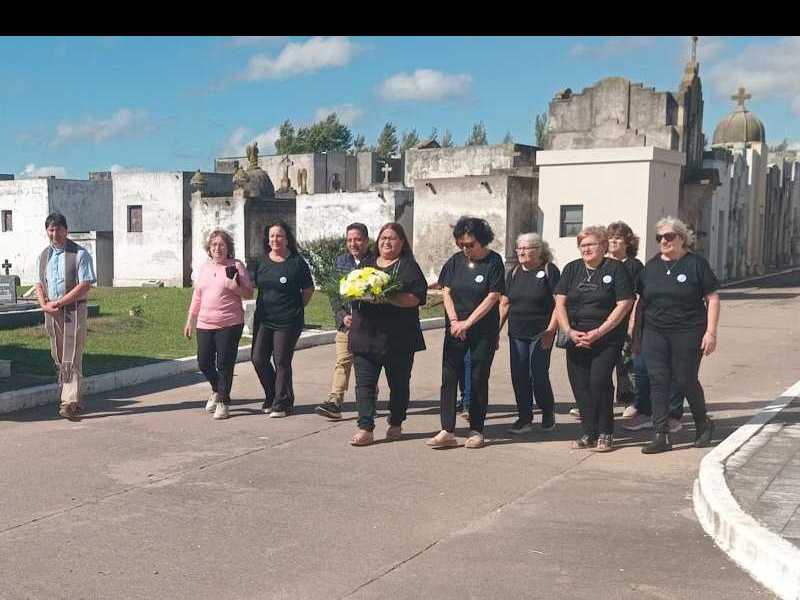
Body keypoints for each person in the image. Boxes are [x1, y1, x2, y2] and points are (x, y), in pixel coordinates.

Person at [639, 216, 720, 454]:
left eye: (669, 236)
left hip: (689, 330)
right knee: (658, 380)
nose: (663, 240)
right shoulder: (651, 266)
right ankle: (660, 434)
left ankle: (703, 423)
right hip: (655, 331)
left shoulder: (696, 264)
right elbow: (640, 300)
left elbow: (712, 298)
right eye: (660, 237)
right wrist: (635, 332)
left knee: (684, 379)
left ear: (682, 238)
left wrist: (711, 333)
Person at [427, 217, 505, 450]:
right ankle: (447, 429)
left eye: (470, 244)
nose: (465, 248)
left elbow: (492, 297)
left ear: (482, 241)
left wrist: (468, 323)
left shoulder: (494, 262)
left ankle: (477, 429)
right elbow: (446, 291)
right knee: (449, 378)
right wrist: (454, 321)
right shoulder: (455, 261)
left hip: (482, 330)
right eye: (461, 244)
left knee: (478, 378)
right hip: (455, 329)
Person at [554, 226, 634, 452]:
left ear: (603, 246)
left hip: (606, 338)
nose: (586, 249)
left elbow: (625, 303)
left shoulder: (616, 269)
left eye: (591, 244)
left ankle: (606, 431)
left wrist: (599, 331)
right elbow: (560, 302)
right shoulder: (572, 269)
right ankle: (589, 432)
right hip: (576, 336)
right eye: (583, 245)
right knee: (580, 386)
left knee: (599, 383)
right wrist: (569, 331)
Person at [348, 223, 428, 446]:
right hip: (365, 336)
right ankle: (365, 427)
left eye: (392, 238)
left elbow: (416, 298)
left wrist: (388, 297)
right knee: (364, 384)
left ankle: (395, 421)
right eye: (383, 238)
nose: (386, 242)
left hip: (398, 339)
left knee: (399, 384)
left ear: (402, 242)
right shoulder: (366, 265)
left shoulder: (408, 267)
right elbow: (351, 290)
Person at [184, 230, 254, 420]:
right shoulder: (204, 268)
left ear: (228, 247)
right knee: (204, 362)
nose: (218, 248)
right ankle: (217, 389)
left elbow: (249, 293)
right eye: (214, 245)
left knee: (224, 363)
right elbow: (197, 295)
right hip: (205, 322)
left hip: (230, 322)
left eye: (221, 245)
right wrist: (190, 319)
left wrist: (236, 288)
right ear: (209, 248)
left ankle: (223, 402)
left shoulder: (236, 266)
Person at [34, 212, 96, 421]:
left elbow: (85, 284)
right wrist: (45, 305)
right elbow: (39, 285)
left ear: (66, 230)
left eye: (59, 229)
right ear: (47, 232)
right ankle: (75, 399)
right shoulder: (44, 256)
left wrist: (60, 303)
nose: (55, 234)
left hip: (73, 311)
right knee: (59, 355)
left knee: (72, 354)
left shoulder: (79, 254)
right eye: (51, 229)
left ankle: (68, 402)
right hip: (51, 311)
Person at [250, 220, 314, 418]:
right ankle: (272, 395)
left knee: (281, 360)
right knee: (258, 358)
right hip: (264, 319)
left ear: (287, 239)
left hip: (288, 320)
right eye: (272, 236)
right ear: (267, 240)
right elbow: (250, 286)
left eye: (279, 236)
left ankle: (282, 403)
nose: (275, 239)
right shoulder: (260, 262)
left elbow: (308, 290)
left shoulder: (297, 263)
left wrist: (295, 308)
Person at [499, 233, 560, 433]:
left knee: (538, 373)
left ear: (539, 250)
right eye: (519, 248)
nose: (521, 252)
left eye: (527, 248)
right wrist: (496, 329)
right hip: (517, 332)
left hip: (541, 333)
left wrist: (551, 330)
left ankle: (547, 410)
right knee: (519, 375)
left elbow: (559, 304)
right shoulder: (514, 272)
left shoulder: (549, 270)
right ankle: (524, 417)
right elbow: (505, 302)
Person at [315, 223, 374, 420]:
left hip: (369, 326)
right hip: (346, 325)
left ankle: (369, 400)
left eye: (357, 239)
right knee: (342, 362)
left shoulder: (375, 262)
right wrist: (342, 315)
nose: (353, 244)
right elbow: (334, 294)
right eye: (349, 240)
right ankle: (334, 402)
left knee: (367, 366)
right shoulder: (341, 261)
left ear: (366, 240)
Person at [606, 221, 644, 409]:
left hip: (626, 320)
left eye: (618, 238)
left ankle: (635, 403)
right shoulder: (603, 263)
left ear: (628, 243)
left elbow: (638, 297)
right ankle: (599, 403)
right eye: (610, 237)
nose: (613, 241)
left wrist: (633, 323)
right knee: (604, 364)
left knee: (627, 362)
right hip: (605, 322)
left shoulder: (634, 266)